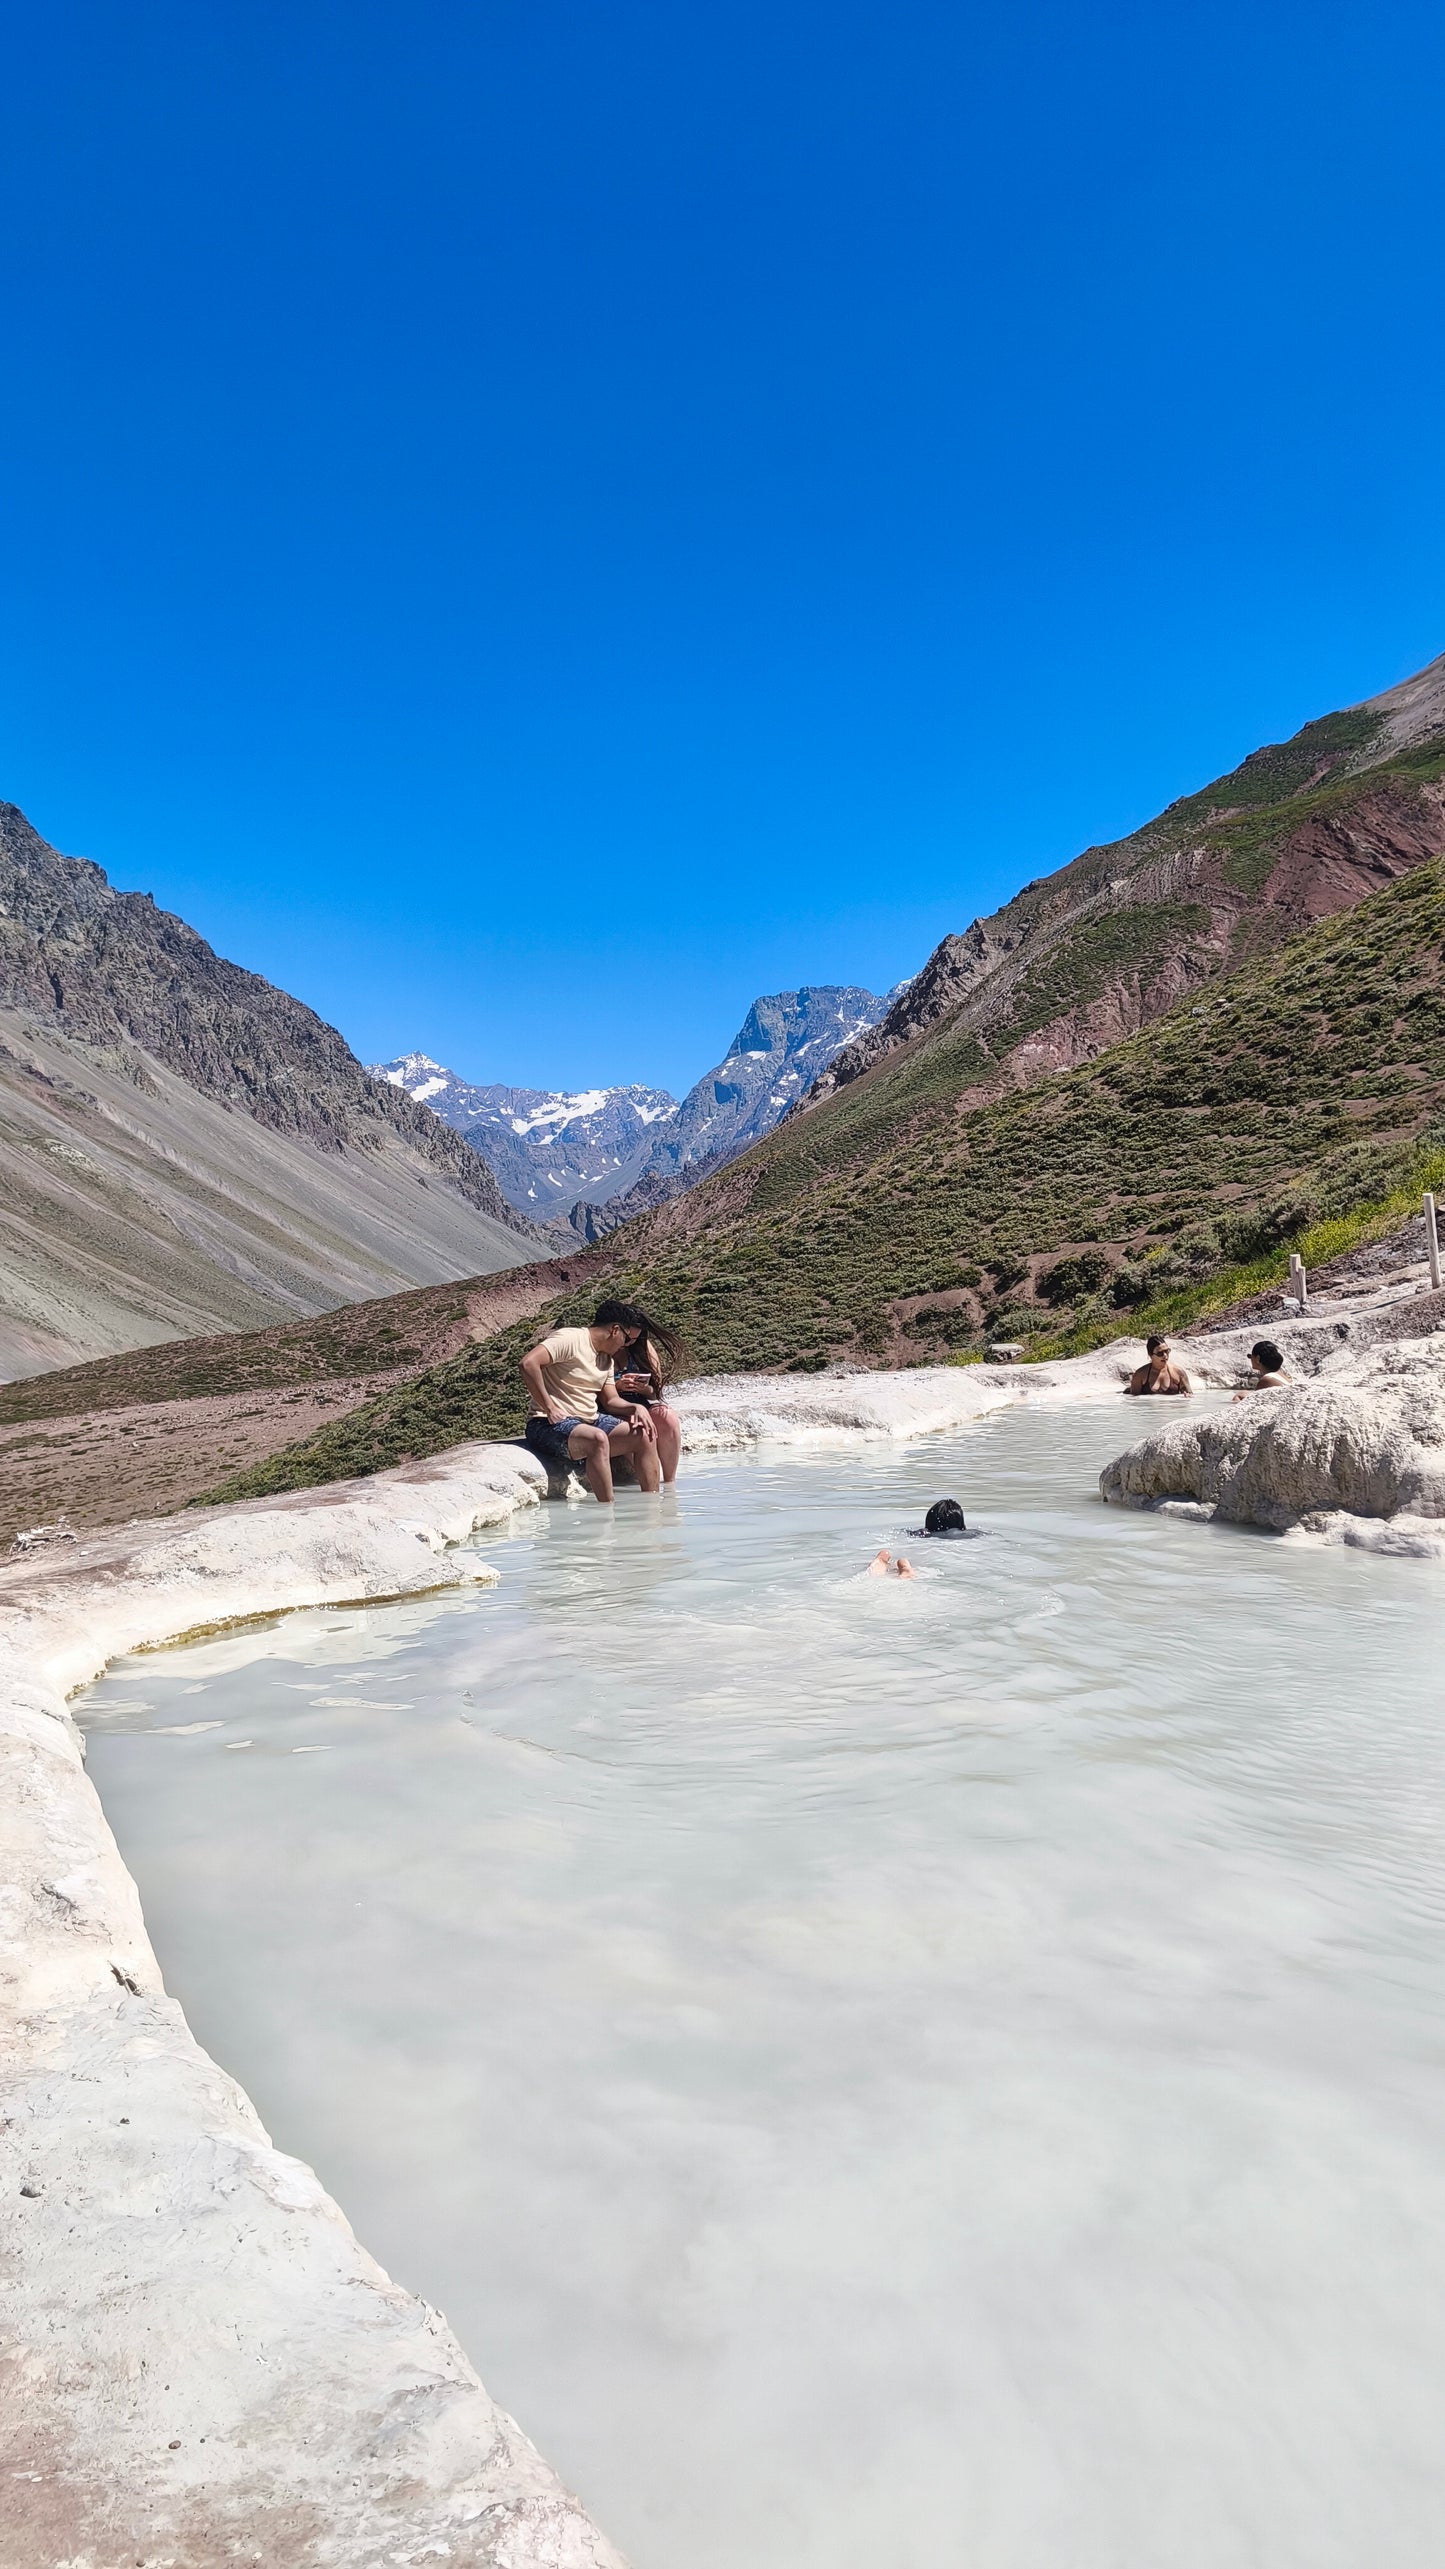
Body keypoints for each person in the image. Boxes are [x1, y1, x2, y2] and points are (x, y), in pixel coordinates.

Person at [520, 1302, 665, 1502]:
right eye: (625, 1338)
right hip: (546, 1423)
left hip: (587, 1421)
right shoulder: (570, 1338)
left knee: (643, 1434)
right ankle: (607, 1512)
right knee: (597, 1439)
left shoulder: (606, 1360)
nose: (625, 1345)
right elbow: (528, 1363)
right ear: (615, 1330)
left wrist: (636, 1407)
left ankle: (651, 1505)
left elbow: (611, 1400)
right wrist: (549, 1406)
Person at [606, 1301, 687, 1488]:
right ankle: (647, 1477)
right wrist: (617, 1386)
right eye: (628, 1338)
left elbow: (655, 1390)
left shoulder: (642, 1348)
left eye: (635, 1339)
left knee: (668, 1418)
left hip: (640, 1400)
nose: (630, 1343)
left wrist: (643, 1388)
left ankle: (669, 1482)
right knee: (635, 1427)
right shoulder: (602, 1350)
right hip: (611, 1404)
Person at [1125, 1334, 1193, 1396]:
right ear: (1151, 1355)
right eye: (1160, 1353)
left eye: (1167, 1351)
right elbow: (1133, 1401)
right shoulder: (1140, 1375)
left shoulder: (1178, 1373)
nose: (1165, 1356)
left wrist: (1187, 1395)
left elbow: (1190, 1395)